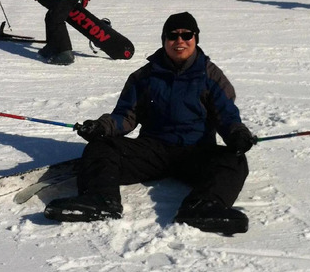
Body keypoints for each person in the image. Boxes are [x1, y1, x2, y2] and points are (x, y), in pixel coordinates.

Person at [44, 12, 258, 235]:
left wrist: (237, 135)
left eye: (187, 35)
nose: (180, 41)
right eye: (173, 36)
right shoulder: (144, 77)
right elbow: (125, 116)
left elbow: (227, 116)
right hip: (154, 150)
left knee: (235, 161)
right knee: (101, 147)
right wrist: (101, 127)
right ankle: (101, 200)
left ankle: (203, 207)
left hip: (196, 152)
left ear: (196, 38)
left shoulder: (211, 76)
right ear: (164, 39)